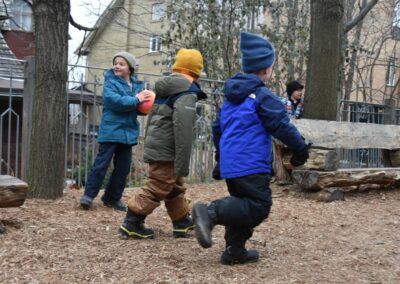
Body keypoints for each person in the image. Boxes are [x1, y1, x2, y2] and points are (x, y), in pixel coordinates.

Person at [191, 32, 309, 265]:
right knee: (258, 206)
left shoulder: (231, 99)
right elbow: (281, 126)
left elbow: (217, 128)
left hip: (232, 165)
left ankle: (235, 251)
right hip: (251, 163)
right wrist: (301, 149)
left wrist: (220, 158)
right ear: (266, 69)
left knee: (242, 205)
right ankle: (210, 213)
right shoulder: (263, 96)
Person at [119, 48, 207, 239]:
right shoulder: (186, 92)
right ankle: (132, 221)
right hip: (169, 147)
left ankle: (181, 220)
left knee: (174, 184)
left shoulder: (167, 88)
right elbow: (183, 128)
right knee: (159, 184)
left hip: (159, 143)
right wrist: (183, 162)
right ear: (195, 71)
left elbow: (154, 119)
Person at [80, 52, 152, 211]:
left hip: (128, 132)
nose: (117, 66)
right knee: (101, 164)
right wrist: (136, 100)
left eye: (121, 64)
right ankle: (88, 196)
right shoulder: (110, 83)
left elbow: (136, 108)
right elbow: (114, 102)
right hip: (111, 130)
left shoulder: (136, 86)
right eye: (116, 63)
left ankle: (112, 197)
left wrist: (144, 106)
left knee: (123, 167)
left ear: (130, 68)